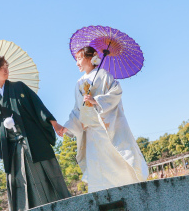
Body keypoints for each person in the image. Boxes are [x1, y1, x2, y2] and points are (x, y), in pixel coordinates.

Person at [0, 56, 71, 211]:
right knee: (21, 183)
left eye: (7, 66)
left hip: (32, 142)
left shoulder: (19, 87)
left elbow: (38, 105)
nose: (6, 70)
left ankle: (62, 210)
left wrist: (54, 123)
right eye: (2, 68)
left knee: (46, 177)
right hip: (13, 148)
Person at [59, 46, 148, 192]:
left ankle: (128, 190)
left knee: (117, 163)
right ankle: (102, 196)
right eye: (76, 60)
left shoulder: (104, 75)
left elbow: (116, 92)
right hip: (91, 133)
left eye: (79, 58)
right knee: (97, 168)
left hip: (106, 128)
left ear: (90, 58)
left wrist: (97, 100)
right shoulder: (79, 82)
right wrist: (67, 126)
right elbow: (77, 109)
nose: (77, 63)